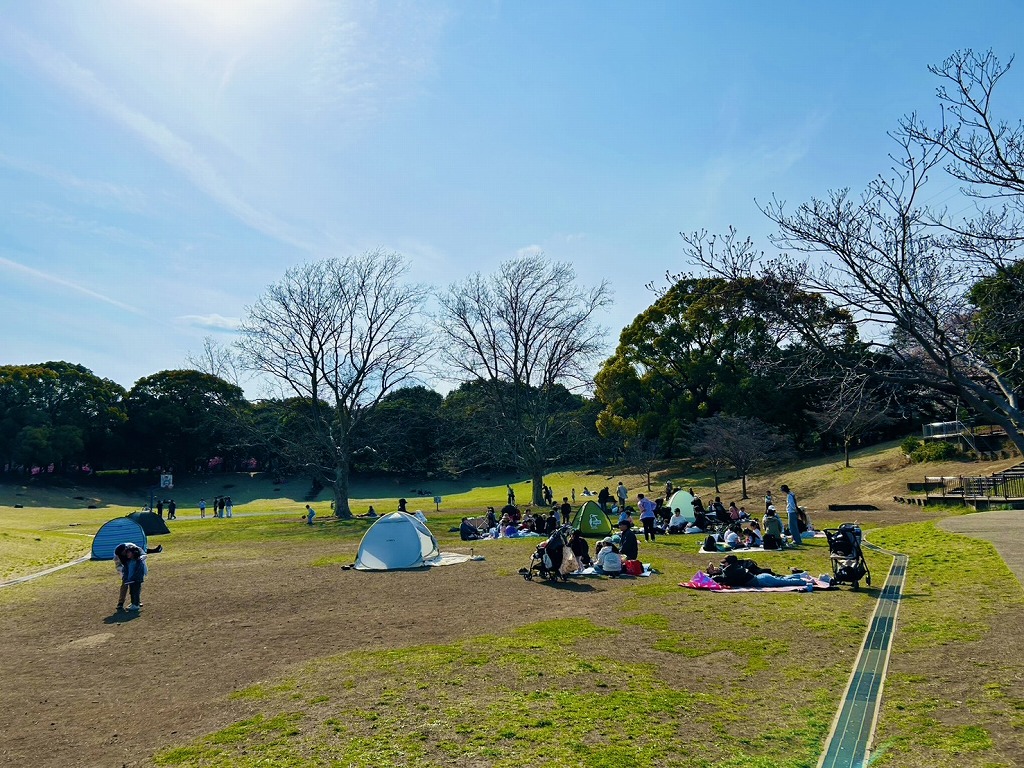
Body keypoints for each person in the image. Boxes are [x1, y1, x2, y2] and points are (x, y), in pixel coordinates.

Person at [709, 555, 809, 589]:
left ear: (729, 563)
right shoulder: (734, 568)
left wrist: (711, 577)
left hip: (761, 581)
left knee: (785, 582)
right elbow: (725, 575)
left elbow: (724, 578)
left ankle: (804, 582)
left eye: (724, 563)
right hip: (761, 577)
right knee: (783, 579)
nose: (723, 565)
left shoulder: (730, 571)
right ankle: (800, 576)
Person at [114, 542, 147, 611]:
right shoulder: (117, 556)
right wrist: (125, 574)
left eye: (125, 552)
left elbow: (143, 554)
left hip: (135, 575)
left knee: (135, 588)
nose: (124, 554)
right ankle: (121, 603)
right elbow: (118, 566)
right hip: (126, 572)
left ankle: (136, 602)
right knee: (125, 586)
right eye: (122, 554)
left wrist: (139, 559)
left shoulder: (133, 548)